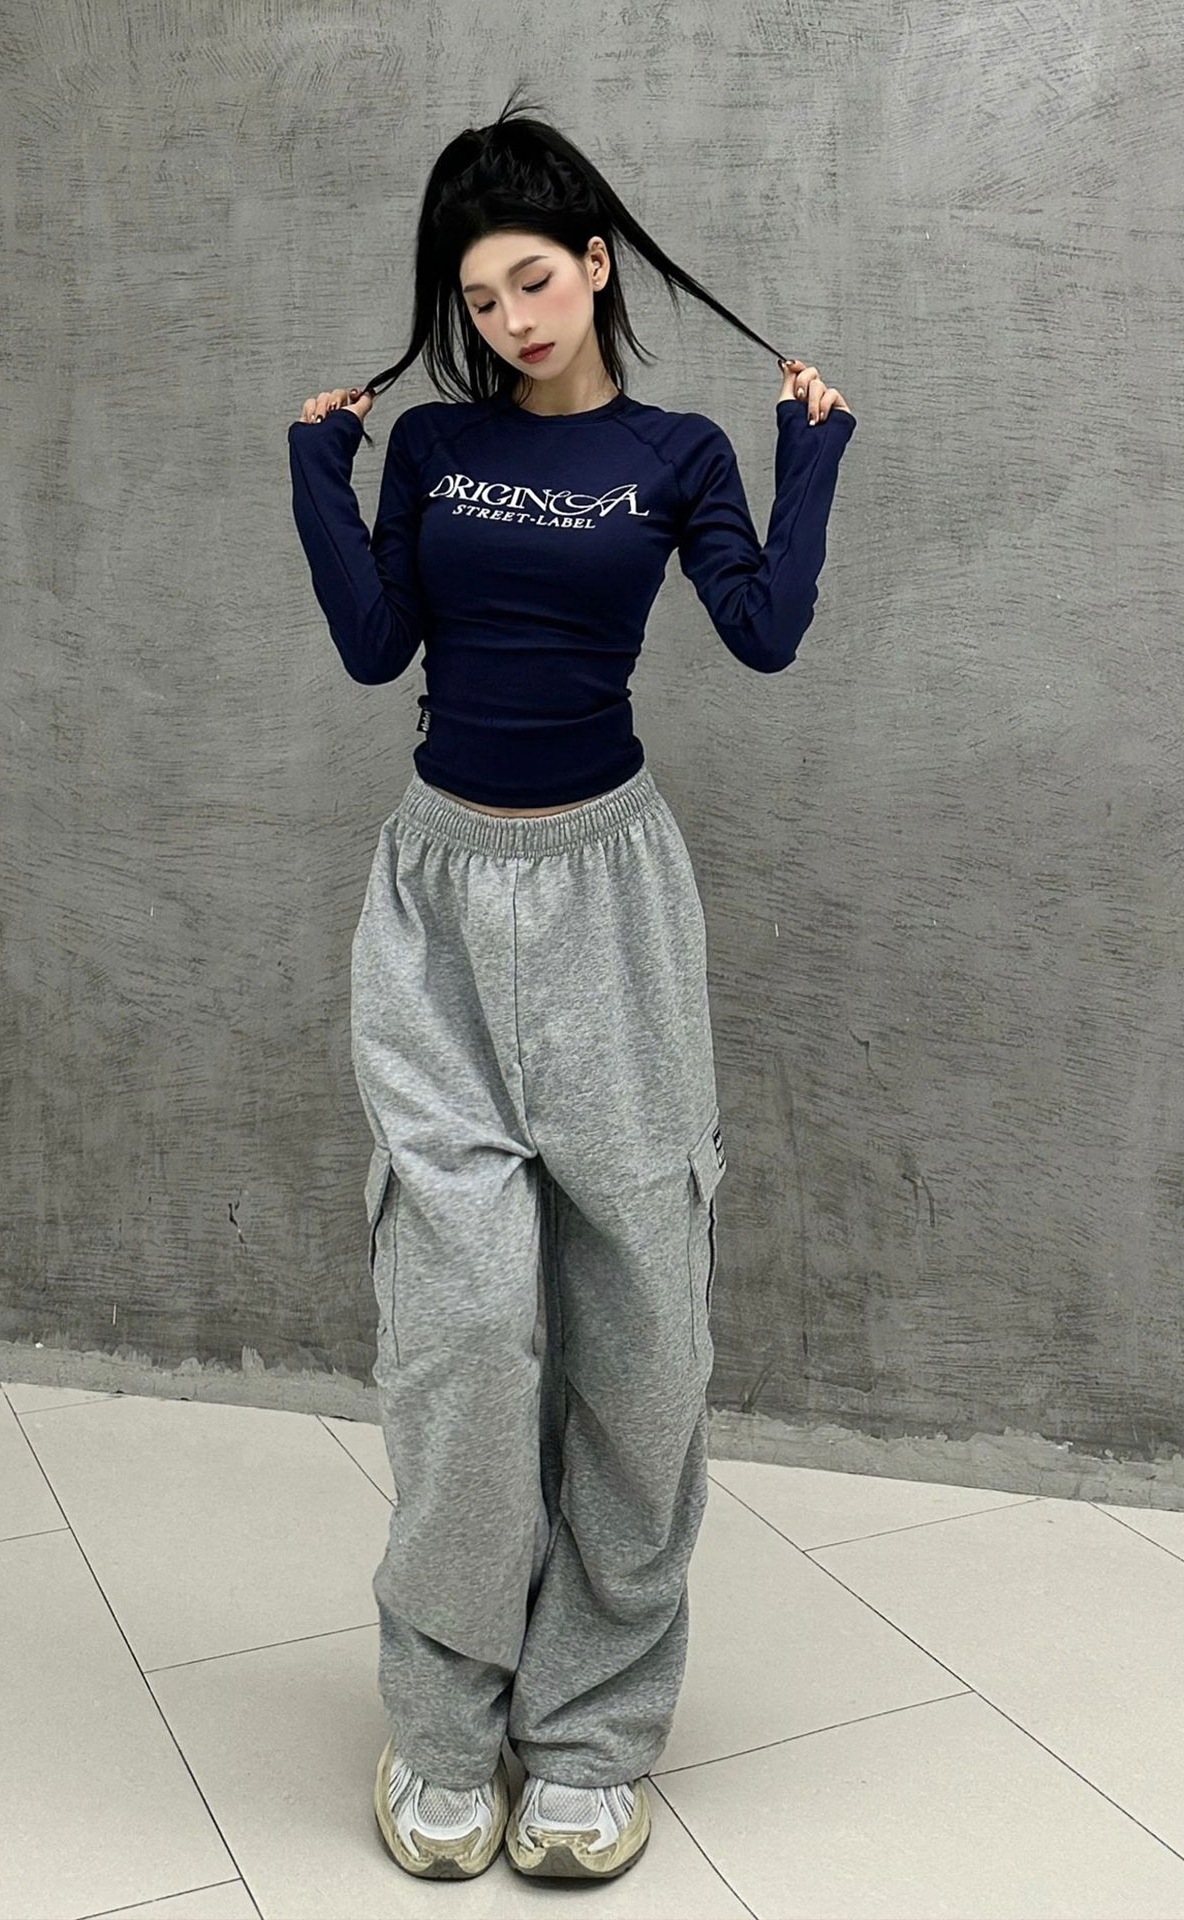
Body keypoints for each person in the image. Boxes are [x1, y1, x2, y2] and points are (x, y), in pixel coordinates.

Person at [287, 86, 857, 1884]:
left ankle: (595, 1731)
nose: (511, 317)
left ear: (596, 265)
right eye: (480, 297)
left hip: (612, 903)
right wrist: (315, 479)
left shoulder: (676, 453)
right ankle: (448, 1721)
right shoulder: (435, 448)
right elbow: (377, 645)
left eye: (535, 278)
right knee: (459, 1333)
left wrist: (811, 460)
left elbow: (764, 633)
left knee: (641, 1329)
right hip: (438, 904)